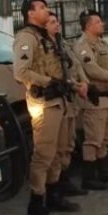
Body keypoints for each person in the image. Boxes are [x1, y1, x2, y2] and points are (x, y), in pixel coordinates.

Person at [13, 0, 80, 215]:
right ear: (30, 14)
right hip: (44, 103)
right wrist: (47, 82)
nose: (46, 10)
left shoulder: (46, 38)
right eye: (41, 8)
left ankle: (54, 195)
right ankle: (36, 204)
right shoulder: (26, 38)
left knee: (59, 152)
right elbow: (21, 72)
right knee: (43, 156)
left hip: (58, 100)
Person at [74, 10, 108, 191]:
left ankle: (104, 171)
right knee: (93, 139)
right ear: (88, 25)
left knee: (105, 136)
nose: (102, 24)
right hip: (94, 99)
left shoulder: (102, 43)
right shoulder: (83, 45)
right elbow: (92, 70)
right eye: (98, 22)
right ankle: (88, 176)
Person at [44, 11, 89, 197]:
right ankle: (54, 187)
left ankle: (64, 179)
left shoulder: (61, 43)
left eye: (57, 22)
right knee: (56, 148)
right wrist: (76, 85)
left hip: (69, 98)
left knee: (68, 144)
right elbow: (54, 76)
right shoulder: (44, 47)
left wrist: (84, 82)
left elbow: (76, 65)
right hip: (57, 98)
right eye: (53, 22)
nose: (57, 25)